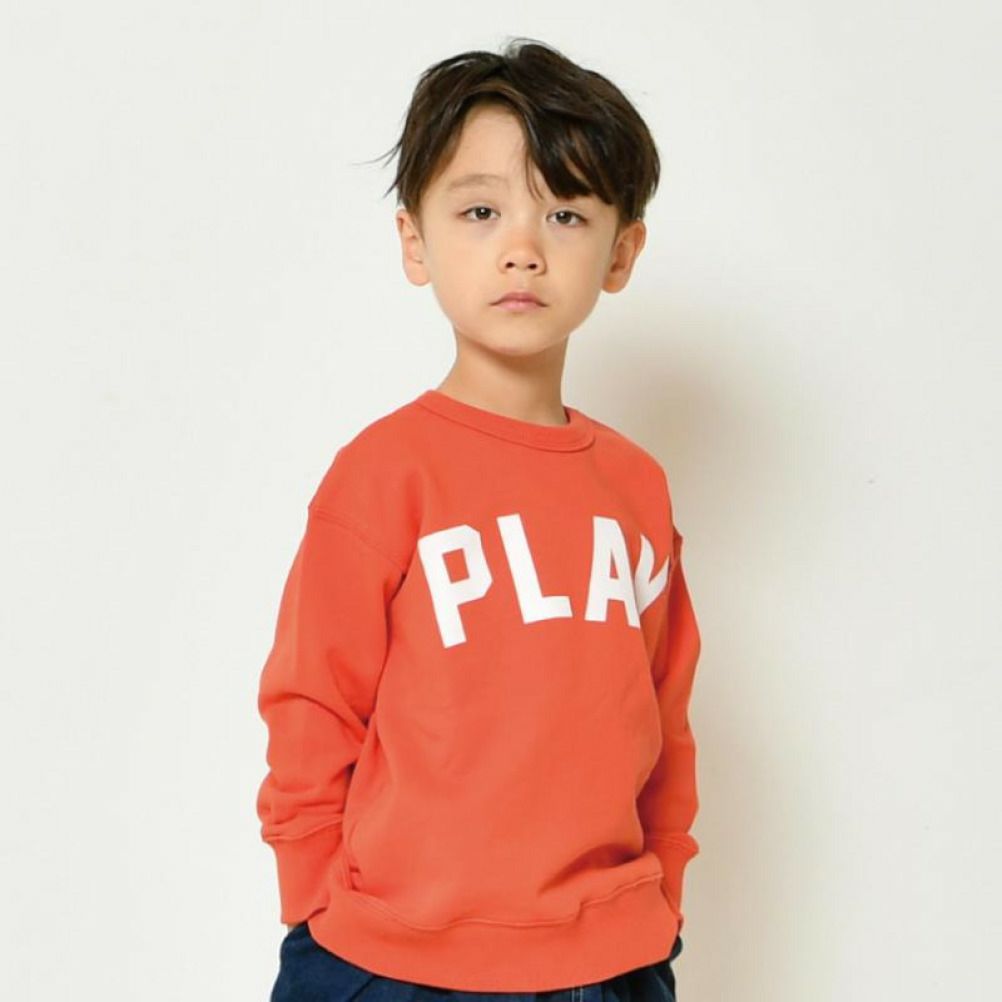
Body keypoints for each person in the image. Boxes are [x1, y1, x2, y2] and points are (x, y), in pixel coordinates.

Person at [256, 36, 701, 1002]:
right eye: (482, 210)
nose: (522, 247)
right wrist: (314, 899)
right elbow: (312, 700)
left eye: (566, 213)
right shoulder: (383, 474)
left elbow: (663, 713)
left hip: (608, 958)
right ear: (415, 242)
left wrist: (662, 890)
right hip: (392, 959)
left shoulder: (635, 488)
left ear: (621, 252)